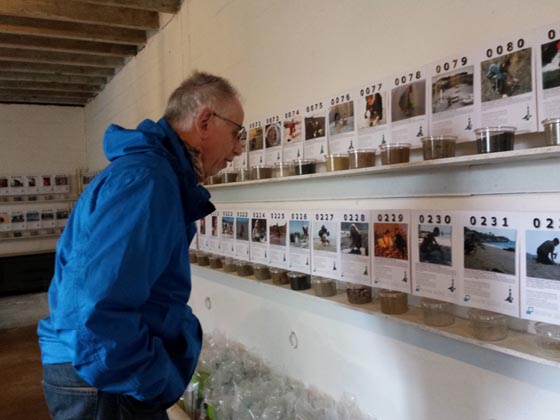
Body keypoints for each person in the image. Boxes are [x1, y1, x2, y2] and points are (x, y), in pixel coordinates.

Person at [37, 71, 244, 420]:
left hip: (101, 373)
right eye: (236, 133)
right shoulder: (147, 180)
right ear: (205, 122)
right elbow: (95, 311)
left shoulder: (152, 175)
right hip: (103, 378)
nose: (238, 149)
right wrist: (154, 381)